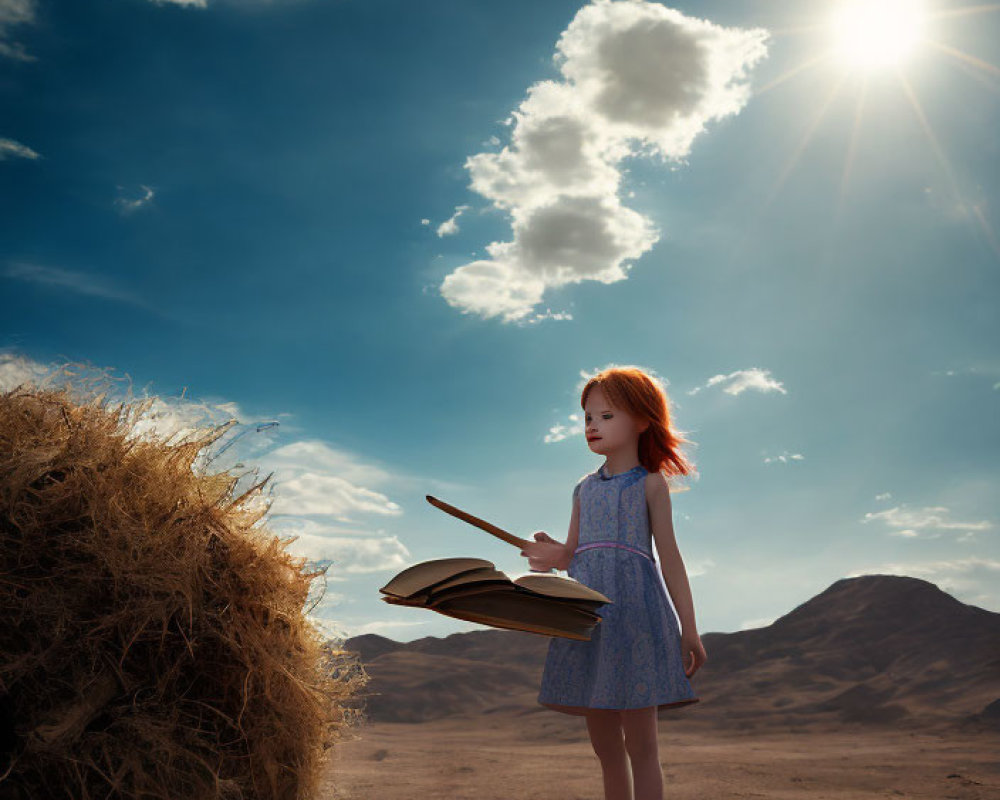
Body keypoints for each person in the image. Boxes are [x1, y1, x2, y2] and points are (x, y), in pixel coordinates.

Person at [520, 365, 707, 800]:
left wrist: (690, 628)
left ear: (643, 419)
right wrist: (551, 556)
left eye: (606, 416)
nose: (592, 426)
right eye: (588, 417)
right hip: (588, 624)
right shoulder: (582, 489)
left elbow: (671, 560)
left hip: (636, 622)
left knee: (642, 747)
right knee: (605, 749)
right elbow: (572, 555)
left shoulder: (651, 485)